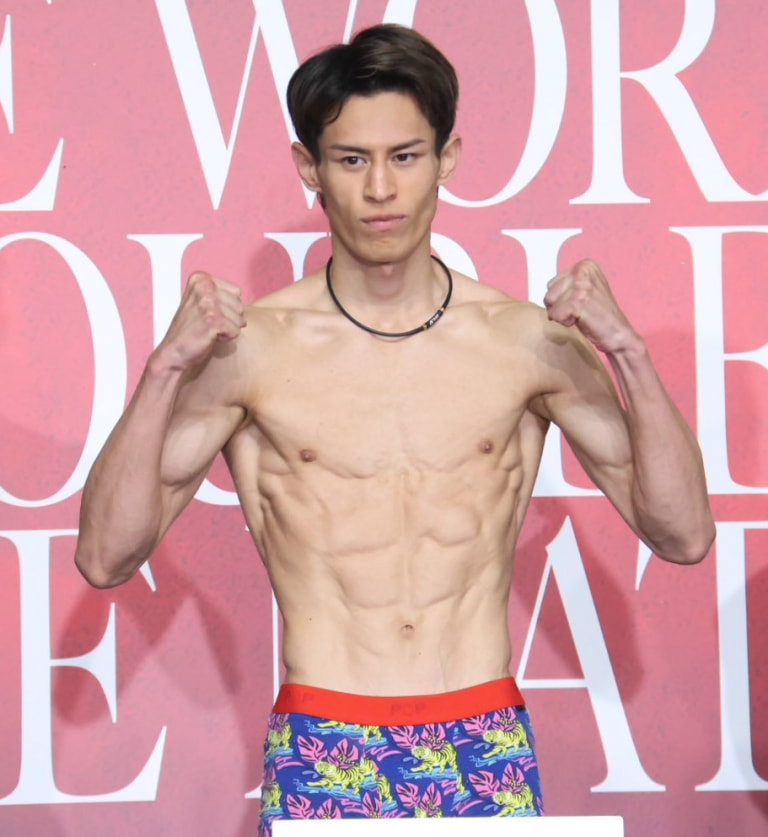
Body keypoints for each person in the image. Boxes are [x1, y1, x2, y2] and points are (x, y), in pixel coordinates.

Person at [74, 22, 715, 833]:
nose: (381, 187)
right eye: (351, 160)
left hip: (482, 735)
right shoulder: (250, 351)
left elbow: (684, 533)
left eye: (405, 156)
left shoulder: (525, 343)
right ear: (310, 168)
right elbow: (105, 555)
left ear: (447, 159)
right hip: (324, 737)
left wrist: (629, 355)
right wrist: (166, 369)